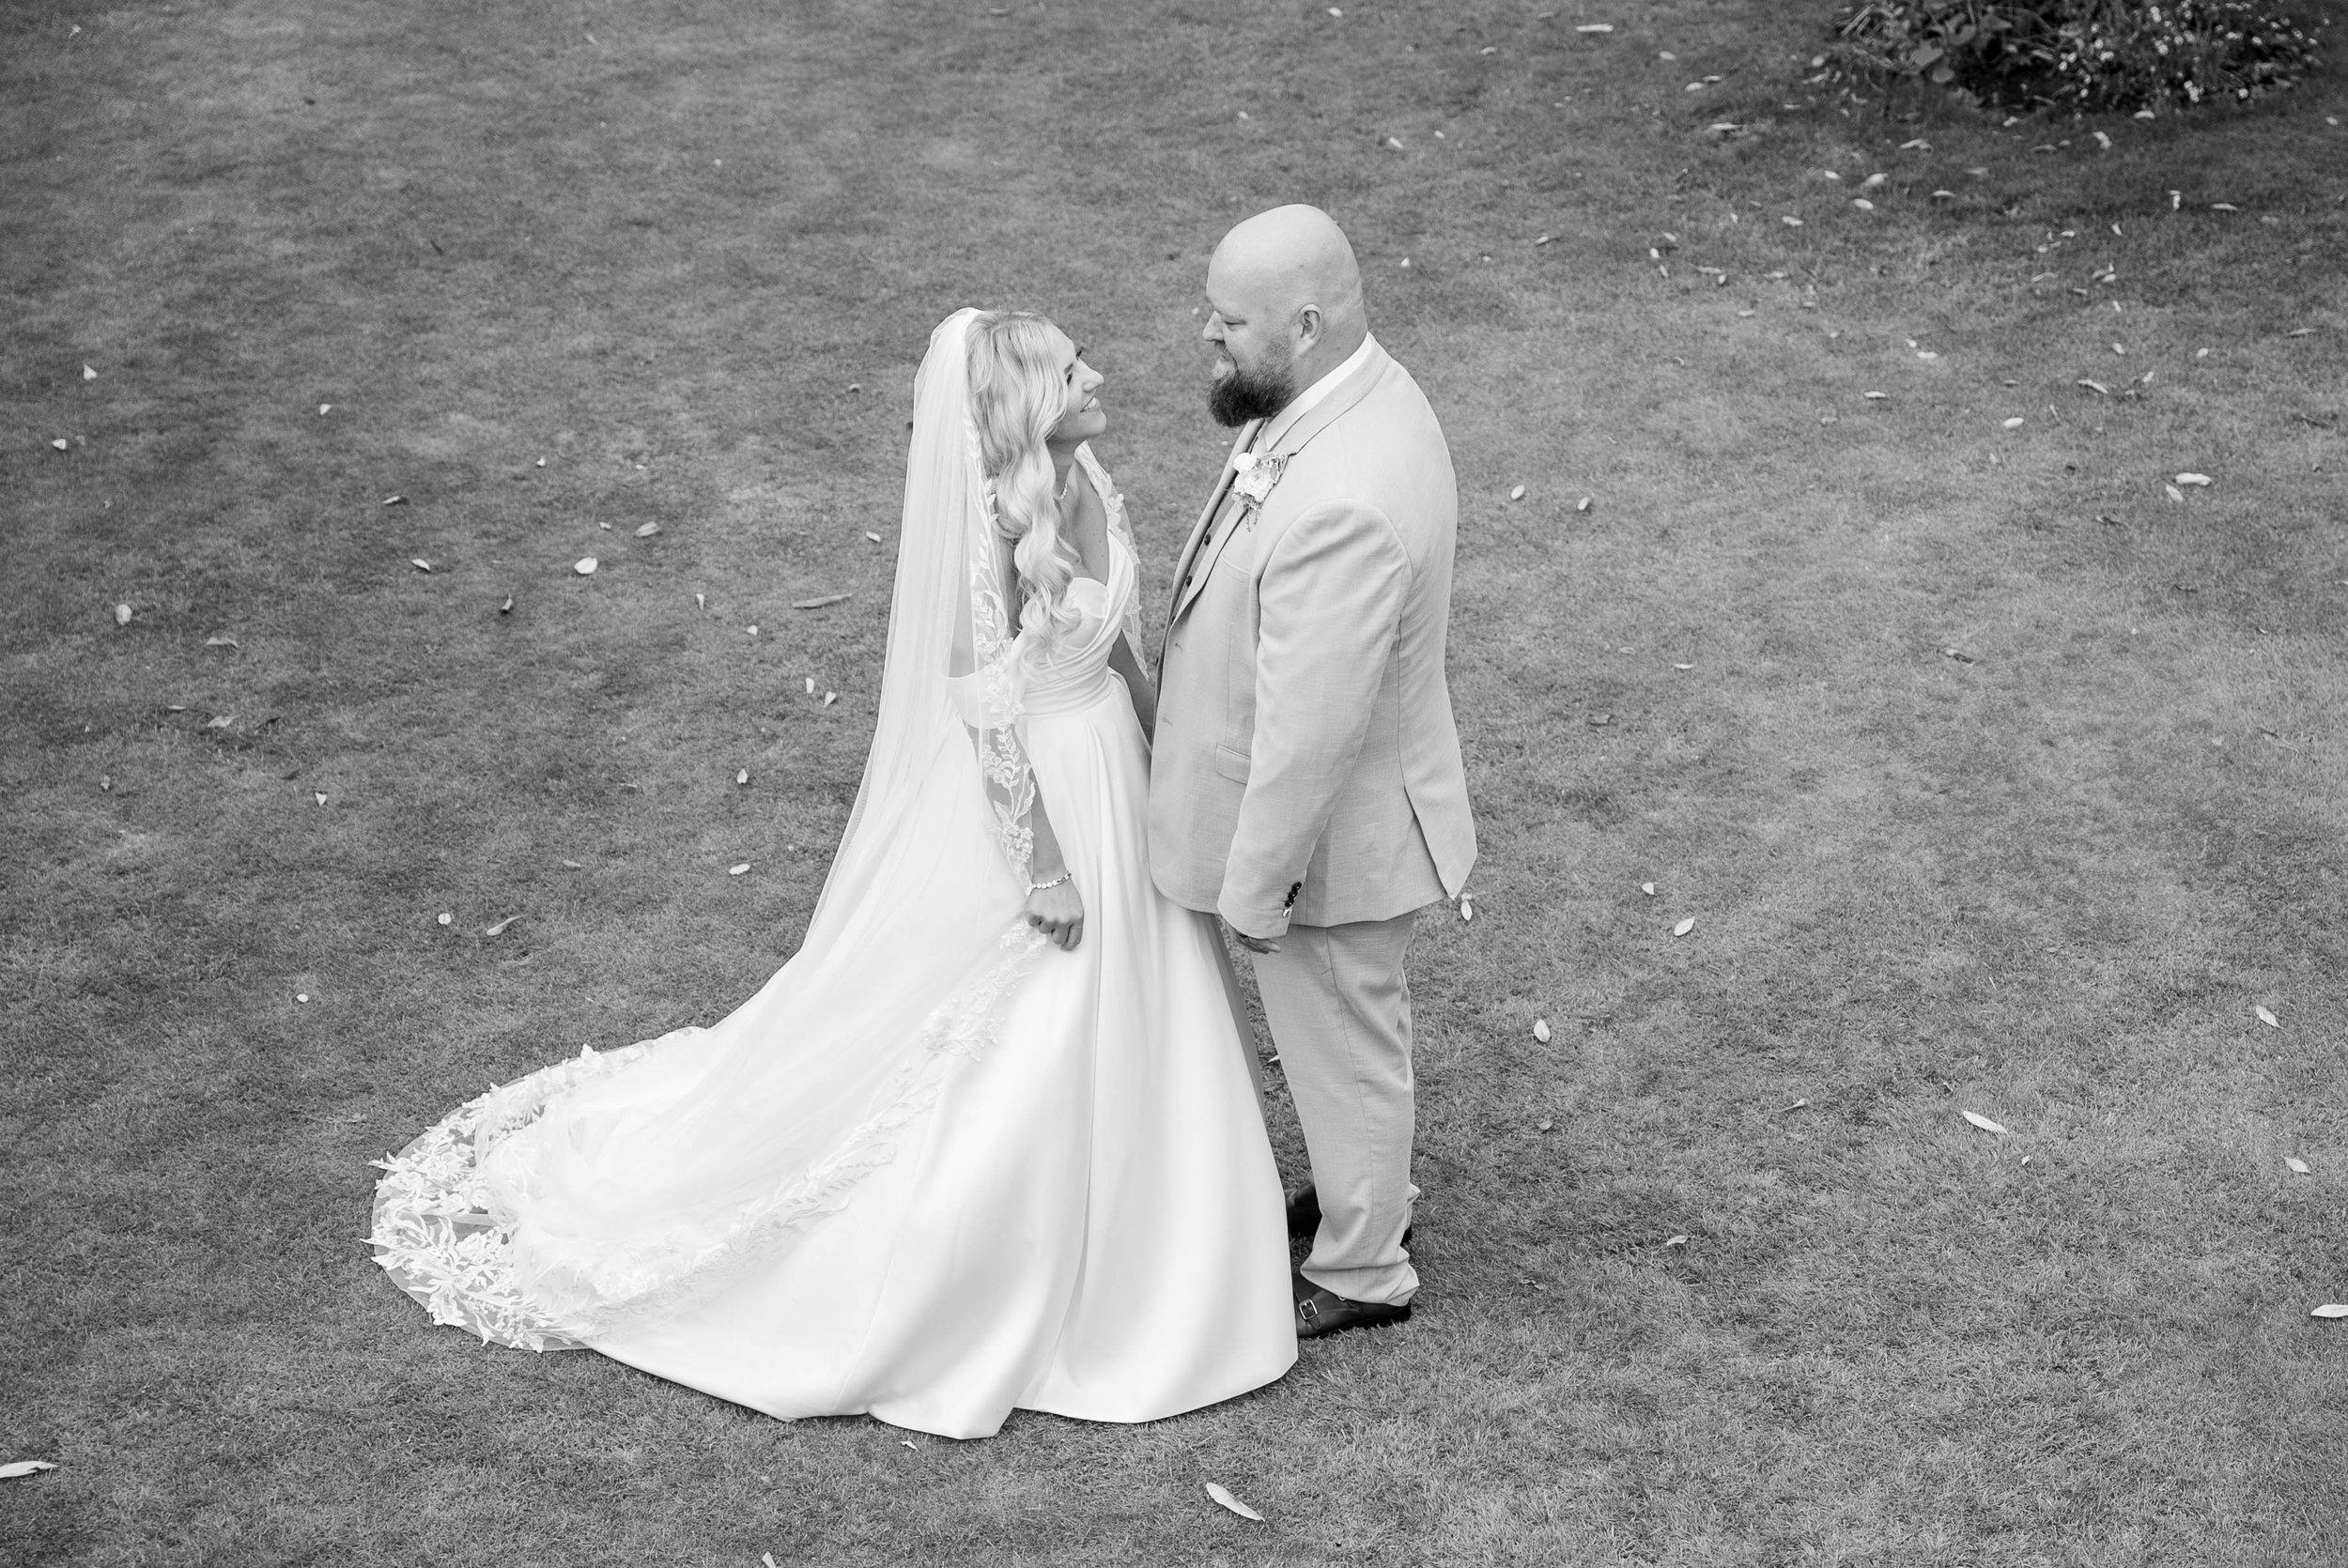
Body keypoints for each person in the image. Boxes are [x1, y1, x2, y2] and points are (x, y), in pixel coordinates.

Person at [371, 308, 1297, 1440]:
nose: (1097, 373)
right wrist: (1043, 865)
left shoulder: (1088, 472)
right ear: (1019, 406)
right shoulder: (995, 528)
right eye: (1070, 369)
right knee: (1031, 1028)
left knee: (1148, 1008)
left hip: (1110, 758)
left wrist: (1159, 765)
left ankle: (1160, 1230)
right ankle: (1011, 1263)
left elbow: (1113, 643)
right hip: (1042, 793)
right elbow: (986, 716)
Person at [1150, 206, 1476, 1339]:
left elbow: (1311, 731)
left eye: (1230, 321)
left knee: (1343, 1046)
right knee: (1345, 1047)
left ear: (1304, 321)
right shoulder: (1343, 390)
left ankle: (1361, 1267)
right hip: (1343, 815)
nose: (1208, 334)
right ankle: (1356, 1194)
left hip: (1334, 841)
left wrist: (1256, 883)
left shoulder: (1342, 492)